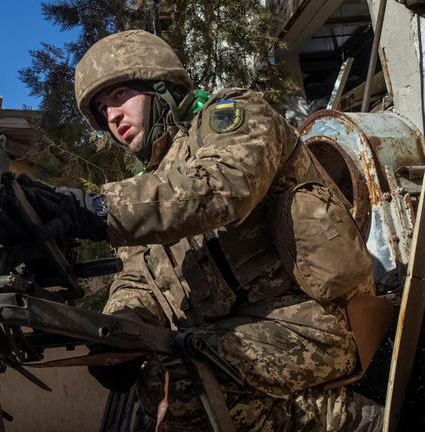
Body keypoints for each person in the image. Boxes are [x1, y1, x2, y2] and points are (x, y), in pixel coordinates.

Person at [20, 30, 388, 431]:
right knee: (153, 392)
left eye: (120, 96)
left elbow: (223, 186)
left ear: (159, 87)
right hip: (238, 333)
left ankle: (352, 421)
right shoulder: (151, 184)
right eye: (102, 110)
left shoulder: (231, 115)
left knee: (184, 386)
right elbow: (139, 280)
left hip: (316, 324)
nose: (112, 116)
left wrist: (97, 209)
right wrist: (115, 334)